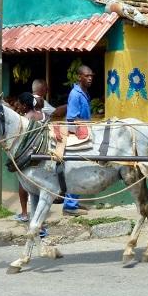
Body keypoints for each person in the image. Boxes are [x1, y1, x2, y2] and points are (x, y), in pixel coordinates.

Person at [14, 92, 49, 237]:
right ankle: (40, 224)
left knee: (25, 186)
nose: (18, 107)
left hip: (31, 158)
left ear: (24, 105)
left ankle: (26, 215)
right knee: (41, 193)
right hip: (45, 155)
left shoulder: (26, 119)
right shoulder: (42, 115)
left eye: (19, 104)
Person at [62, 65, 94, 216]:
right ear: (79, 77)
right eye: (87, 76)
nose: (90, 78)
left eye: (91, 76)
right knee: (78, 169)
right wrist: (88, 127)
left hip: (85, 133)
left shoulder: (84, 93)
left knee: (82, 169)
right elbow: (72, 119)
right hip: (78, 137)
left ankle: (73, 201)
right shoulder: (75, 94)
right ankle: (69, 205)